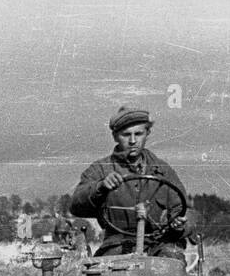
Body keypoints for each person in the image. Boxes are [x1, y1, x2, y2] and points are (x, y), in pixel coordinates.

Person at [70, 106, 191, 260]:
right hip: (117, 245)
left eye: (138, 134)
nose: (133, 141)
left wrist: (180, 224)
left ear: (148, 134)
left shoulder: (163, 170)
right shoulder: (100, 169)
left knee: (172, 265)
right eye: (126, 135)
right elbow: (75, 205)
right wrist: (100, 187)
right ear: (115, 137)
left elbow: (186, 210)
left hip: (160, 245)